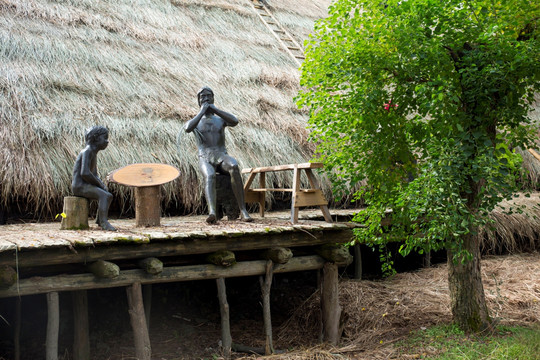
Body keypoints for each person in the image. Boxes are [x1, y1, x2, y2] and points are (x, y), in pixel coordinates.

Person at [184, 86, 252, 224]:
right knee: (209, 176)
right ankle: (212, 211)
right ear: (198, 101)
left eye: (209, 96)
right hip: (205, 157)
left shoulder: (220, 120)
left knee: (233, 166)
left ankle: (243, 210)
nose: (206, 98)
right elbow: (187, 128)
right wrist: (201, 111)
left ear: (213, 98)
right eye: (203, 97)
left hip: (221, 155)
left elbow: (235, 121)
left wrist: (215, 109)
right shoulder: (196, 121)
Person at [72, 126, 116, 231]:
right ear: (96, 138)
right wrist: (100, 185)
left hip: (85, 185)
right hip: (79, 186)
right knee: (104, 196)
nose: (107, 141)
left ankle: (99, 220)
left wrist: (102, 185)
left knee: (108, 195)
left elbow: (94, 174)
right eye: (105, 138)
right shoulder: (87, 151)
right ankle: (104, 222)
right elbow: (85, 173)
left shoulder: (93, 153)